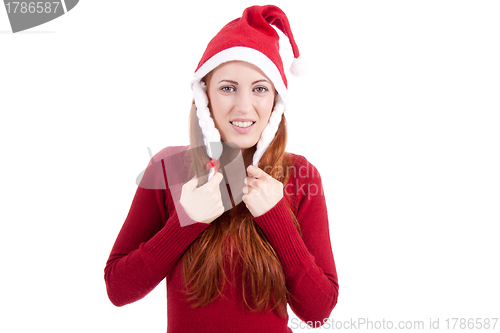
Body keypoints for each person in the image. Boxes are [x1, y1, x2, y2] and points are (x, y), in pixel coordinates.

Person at [104, 5, 339, 332]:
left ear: (275, 100)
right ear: (205, 98)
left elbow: (318, 311)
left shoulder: (301, 176)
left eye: (260, 88)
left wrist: (276, 217)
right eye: (228, 87)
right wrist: (186, 221)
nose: (244, 107)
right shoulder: (168, 168)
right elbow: (118, 288)